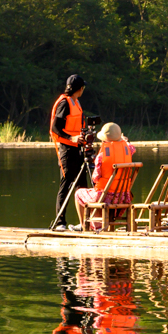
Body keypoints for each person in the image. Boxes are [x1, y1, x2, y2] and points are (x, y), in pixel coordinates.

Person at [48, 74, 90, 230]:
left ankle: (85, 222)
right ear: (79, 89)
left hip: (77, 148)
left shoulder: (76, 102)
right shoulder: (64, 103)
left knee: (82, 185)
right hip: (66, 148)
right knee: (65, 184)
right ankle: (60, 222)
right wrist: (72, 138)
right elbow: (55, 128)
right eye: (83, 87)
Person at [74, 123, 135, 224]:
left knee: (79, 193)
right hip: (124, 196)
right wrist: (124, 141)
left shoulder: (101, 156)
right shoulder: (128, 149)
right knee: (98, 195)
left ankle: (83, 225)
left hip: (106, 197)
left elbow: (95, 178)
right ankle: (98, 225)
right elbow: (131, 147)